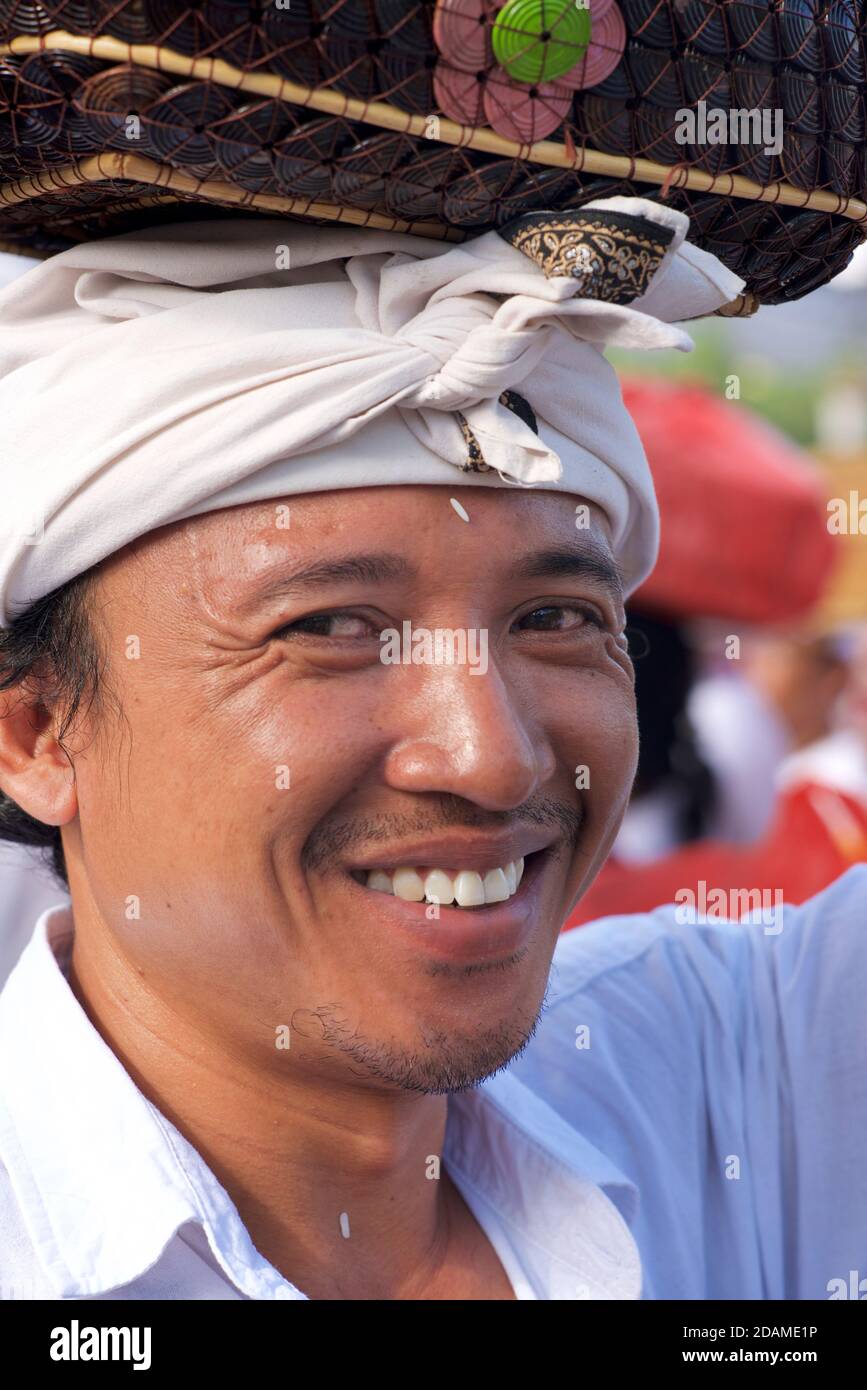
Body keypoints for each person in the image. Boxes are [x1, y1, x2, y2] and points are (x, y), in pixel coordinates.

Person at [0, 201, 864, 1302]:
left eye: (554, 618)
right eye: (328, 629)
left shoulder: (731, 1073)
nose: (492, 757)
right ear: (37, 733)